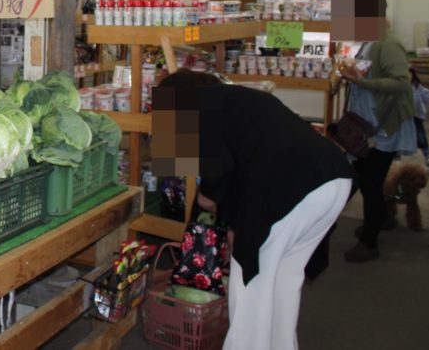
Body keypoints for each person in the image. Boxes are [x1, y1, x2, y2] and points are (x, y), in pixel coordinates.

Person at [152, 69, 353, 350]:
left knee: (251, 285)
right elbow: (245, 166)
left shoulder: (199, 105)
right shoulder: (244, 99)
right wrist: (235, 224)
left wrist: (208, 199)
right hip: (334, 179)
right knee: (284, 280)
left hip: (288, 188)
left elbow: (218, 175)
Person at [337, 27, 415, 262]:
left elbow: (402, 83)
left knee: (370, 181)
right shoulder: (369, 42)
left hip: (384, 126)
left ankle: (369, 242)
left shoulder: (387, 44)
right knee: (364, 174)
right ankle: (382, 219)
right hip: (369, 124)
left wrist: (363, 82)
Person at [410, 67, 429, 169]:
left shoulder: (417, 87)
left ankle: (428, 156)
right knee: (398, 137)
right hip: (401, 117)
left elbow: (427, 94)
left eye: (410, 74)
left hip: (416, 116)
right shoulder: (400, 86)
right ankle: (396, 157)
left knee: (421, 136)